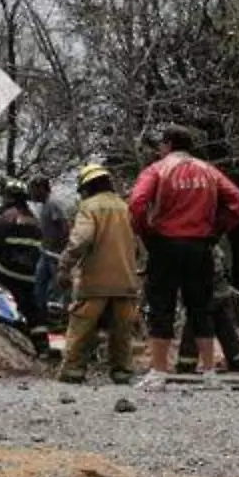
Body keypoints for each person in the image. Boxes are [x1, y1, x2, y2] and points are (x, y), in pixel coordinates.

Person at [127, 125, 239, 390]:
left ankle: (159, 373)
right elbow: (237, 201)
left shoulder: (157, 169)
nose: (159, 149)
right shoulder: (208, 170)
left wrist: (147, 231)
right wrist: (216, 229)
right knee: (201, 308)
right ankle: (209, 373)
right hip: (200, 246)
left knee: (162, 307)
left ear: (168, 145)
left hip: (165, 245)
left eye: (161, 144)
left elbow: (136, 203)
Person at [54, 163, 141, 384]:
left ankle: (72, 372)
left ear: (88, 186)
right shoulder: (125, 207)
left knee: (81, 327)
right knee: (121, 332)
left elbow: (81, 239)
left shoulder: (89, 207)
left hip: (95, 281)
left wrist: (65, 265)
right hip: (125, 281)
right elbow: (138, 244)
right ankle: (122, 373)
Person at [0, 177, 49, 354]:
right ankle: (42, 346)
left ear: (10, 197)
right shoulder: (34, 220)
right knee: (31, 308)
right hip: (28, 275)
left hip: (5, 270)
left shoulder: (7, 216)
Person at [175, 244, 239, 373]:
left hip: (207, 294)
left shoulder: (201, 244)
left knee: (195, 326)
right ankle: (238, 362)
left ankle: (186, 364)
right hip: (218, 294)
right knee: (225, 327)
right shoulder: (210, 243)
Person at [30, 177, 69, 311]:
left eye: (33, 189)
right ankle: (41, 315)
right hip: (46, 253)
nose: (31, 193)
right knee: (39, 286)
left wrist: (61, 250)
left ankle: (57, 317)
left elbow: (64, 226)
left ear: (41, 189)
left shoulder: (53, 204)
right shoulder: (45, 206)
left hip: (55, 255)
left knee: (57, 288)